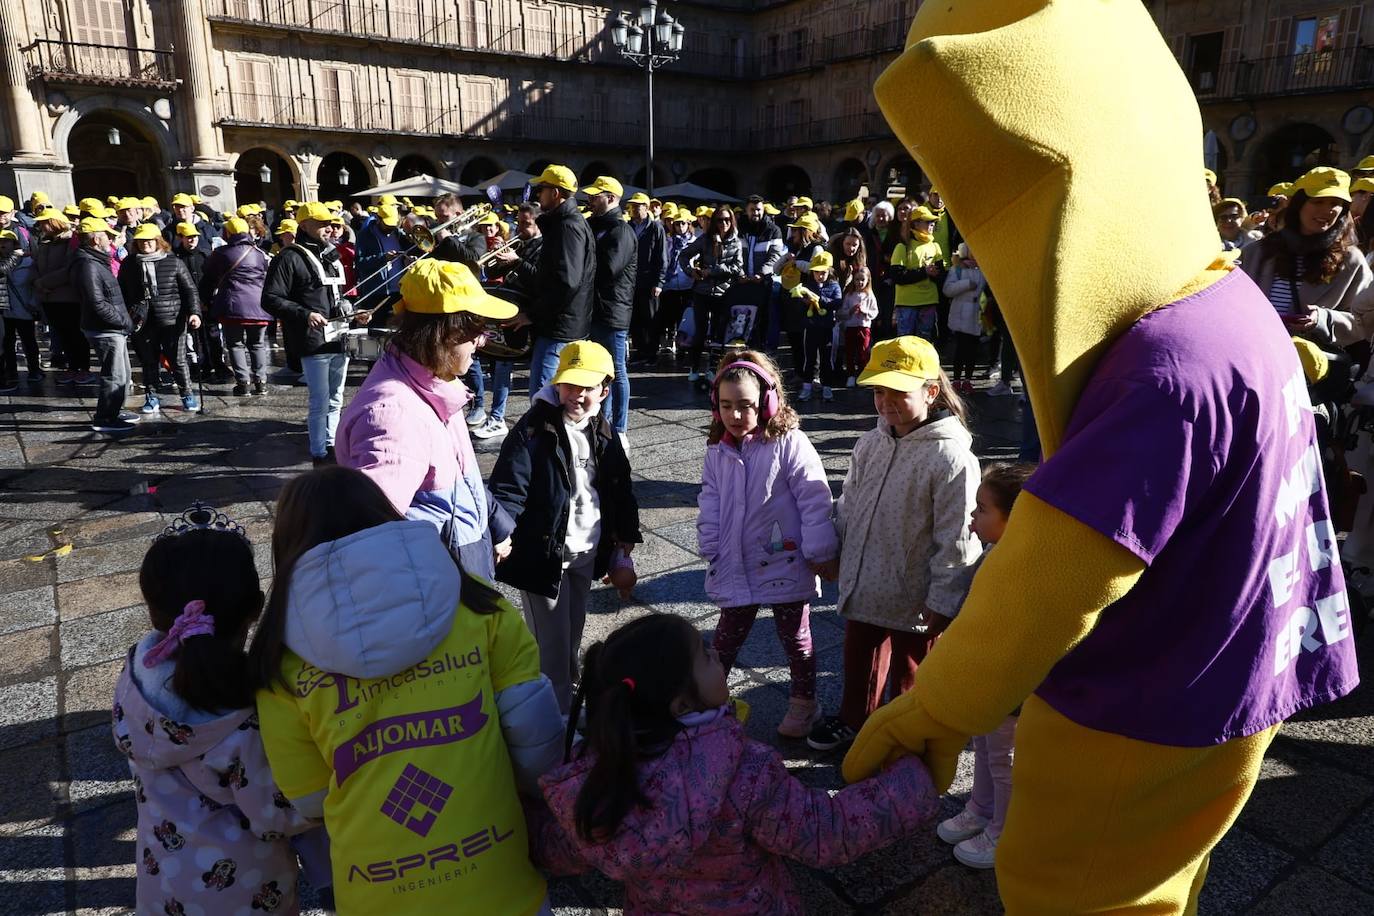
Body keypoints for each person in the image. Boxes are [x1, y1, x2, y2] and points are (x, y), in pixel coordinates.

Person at [249, 466, 564, 915]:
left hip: (374, 892)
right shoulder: (477, 603)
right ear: (384, 514)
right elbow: (539, 750)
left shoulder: (279, 660)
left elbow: (310, 799)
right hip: (499, 881)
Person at [528, 613, 939, 915]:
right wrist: (911, 779)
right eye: (705, 656)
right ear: (681, 703)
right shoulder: (746, 773)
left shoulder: (600, 778)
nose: (716, 657)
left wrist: (522, 831)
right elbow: (824, 832)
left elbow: (564, 845)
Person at [113, 507, 321, 915]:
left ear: (154, 609)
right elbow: (280, 814)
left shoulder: (136, 676)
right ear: (256, 608)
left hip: (162, 882)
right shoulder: (244, 719)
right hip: (247, 894)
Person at [808, 337, 980, 752]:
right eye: (878, 391)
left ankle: (901, 739)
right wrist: (835, 551)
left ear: (931, 392)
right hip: (866, 579)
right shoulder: (871, 442)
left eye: (898, 392)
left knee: (909, 674)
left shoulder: (951, 458)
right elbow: (849, 501)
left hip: (914, 592)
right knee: (858, 657)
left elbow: (957, 538)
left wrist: (943, 599)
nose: (885, 402)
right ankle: (854, 720)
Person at [337, 258, 519, 581]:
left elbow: (463, 475)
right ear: (445, 332)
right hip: (442, 597)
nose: (483, 340)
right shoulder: (395, 417)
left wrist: (496, 525)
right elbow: (368, 543)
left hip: (461, 575)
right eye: (476, 329)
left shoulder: (435, 383)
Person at [489, 341, 642, 713]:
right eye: (570, 385)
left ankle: (567, 688)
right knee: (551, 644)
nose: (578, 395)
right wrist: (500, 531)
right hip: (544, 554)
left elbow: (620, 486)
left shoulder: (602, 430)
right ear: (557, 385)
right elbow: (510, 484)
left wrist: (625, 536)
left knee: (572, 628)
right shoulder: (534, 429)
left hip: (586, 548)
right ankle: (556, 716)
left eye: (588, 388)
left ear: (605, 391)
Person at [698, 351, 836, 736]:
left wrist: (820, 547)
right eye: (726, 405)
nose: (735, 415)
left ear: (767, 403)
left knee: (797, 639)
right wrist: (709, 537)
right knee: (725, 638)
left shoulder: (788, 442)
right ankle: (709, 702)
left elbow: (814, 495)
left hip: (784, 559)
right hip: (736, 561)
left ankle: (803, 705)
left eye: (745, 405)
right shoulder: (718, 449)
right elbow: (710, 496)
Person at [932, 461, 1035, 869]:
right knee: (983, 745)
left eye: (982, 510)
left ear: (1016, 518)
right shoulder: (997, 552)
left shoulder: (1024, 566)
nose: (972, 520)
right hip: (986, 677)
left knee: (1002, 756)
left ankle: (1004, 829)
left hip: (1009, 686)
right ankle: (981, 806)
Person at [262, 202, 360, 464]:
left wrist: (356, 311)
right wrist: (305, 314)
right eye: (322, 223)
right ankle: (319, 452)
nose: (329, 228)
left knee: (337, 397)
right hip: (313, 339)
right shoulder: (289, 257)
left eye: (331, 223)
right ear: (304, 225)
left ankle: (332, 443)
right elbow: (270, 298)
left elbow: (337, 296)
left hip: (339, 335)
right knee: (320, 399)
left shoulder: (332, 255)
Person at [1240, 167, 1374, 350]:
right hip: (1252, 352)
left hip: (1307, 367)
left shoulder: (1351, 261)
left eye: (1335, 203)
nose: (1327, 210)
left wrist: (1322, 319)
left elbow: (1363, 322)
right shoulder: (1258, 251)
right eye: (1318, 201)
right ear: (1299, 204)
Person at [514, 164, 595, 398]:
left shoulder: (568, 227)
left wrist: (533, 315)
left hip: (559, 329)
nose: (539, 194)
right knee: (551, 399)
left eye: (542, 189)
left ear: (556, 193)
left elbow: (566, 282)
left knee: (544, 399)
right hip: (562, 325)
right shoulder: (566, 223)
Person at [119, 224, 201, 414]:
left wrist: (195, 313)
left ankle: (187, 394)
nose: (145, 244)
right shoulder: (129, 264)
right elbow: (122, 292)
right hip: (142, 321)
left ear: (158, 241)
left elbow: (189, 290)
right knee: (148, 361)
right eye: (141, 241)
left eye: (149, 240)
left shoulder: (174, 262)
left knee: (178, 361)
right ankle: (152, 395)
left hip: (173, 320)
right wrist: (125, 316)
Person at [73, 216, 139, 434]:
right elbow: (97, 302)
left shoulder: (96, 259)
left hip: (111, 327)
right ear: (95, 239)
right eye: (106, 237)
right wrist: (122, 321)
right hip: (105, 329)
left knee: (123, 373)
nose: (110, 241)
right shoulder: (87, 264)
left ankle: (115, 410)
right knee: (114, 375)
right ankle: (105, 417)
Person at [584, 176, 638, 437]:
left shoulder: (621, 230)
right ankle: (601, 423)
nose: (591, 200)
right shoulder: (594, 224)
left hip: (613, 310)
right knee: (599, 369)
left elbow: (609, 270)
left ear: (612, 198)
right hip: (596, 308)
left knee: (617, 370)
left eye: (596, 195)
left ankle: (620, 428)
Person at [200, 215, 271, 397]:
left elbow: (208, 276)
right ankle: (261, 382)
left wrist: (205, 300)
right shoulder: (260, 253)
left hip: (233, 306)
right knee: (257, 344)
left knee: (235, 344)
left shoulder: (222, 253)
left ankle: (243, 383)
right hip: (259, 306)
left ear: (228, 232)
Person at [679, 206, 744, 385]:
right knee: (699, 331)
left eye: (727, 220)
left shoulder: (736, 242)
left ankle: (713, 368)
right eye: (720, 220)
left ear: (732, 222)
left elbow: (738, 268)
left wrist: (712, 271)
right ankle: (694, 367)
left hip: (723, 292)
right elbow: (683, 255)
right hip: (702, 291)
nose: (724, 223)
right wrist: (691, 271)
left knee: (718, 333)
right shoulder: (705, 239)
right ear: (714, 221)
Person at [33, 209, 94, 386]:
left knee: (75, 333)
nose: (42, 226)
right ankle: (71, 367)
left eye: (46, 222)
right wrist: (37, 282)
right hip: (48, 297)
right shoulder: (45, 242)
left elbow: (69, 268)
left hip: (68, 297)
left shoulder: (71, 240)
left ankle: (83, 367)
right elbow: (37, 264)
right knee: (62, 334)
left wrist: (44, 282)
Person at [735, 195, 786, 350]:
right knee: (743, 318)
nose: (755, 213)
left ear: (763, 210)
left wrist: (762, 274)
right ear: (747, 210)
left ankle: (764, 351)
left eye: (758, 210)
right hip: (742, 282)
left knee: (764, 319)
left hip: (763, 282)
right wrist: (740, 273)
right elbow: (734, 251)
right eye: (752, 210)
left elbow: (775, 256)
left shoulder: (773, 230)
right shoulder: (738, 228)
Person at [791, 249, 842, 401]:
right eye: (816, 272)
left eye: (823, 272)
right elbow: (799, 304)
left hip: (827, 328)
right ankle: (807, 387)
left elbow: (837, 303)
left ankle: (827, 387)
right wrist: (805, 302)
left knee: (827, 359)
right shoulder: (808, 285)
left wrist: (819, 300)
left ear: (829, 271)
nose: (820, 275)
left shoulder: (834, 286)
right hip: (811, 327)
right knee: (810, 359)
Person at [626, 191, 668, 366]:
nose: (634, 209)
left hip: (649, 280)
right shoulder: (628, 226)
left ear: (647, 207)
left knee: (650, 319)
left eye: (638, 206)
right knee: (635, 318)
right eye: (633, 206)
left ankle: (651, 353)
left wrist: (659, 282)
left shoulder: (656, 227)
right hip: (632, 281)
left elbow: (662, 257)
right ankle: (640, 351)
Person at [890, 206, 945, 341]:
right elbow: (897, 276)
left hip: (929, 301)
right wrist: (924, 272)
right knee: (905, 341)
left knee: (925, 341)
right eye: (927, 221)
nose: (931, 224)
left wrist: (935, 274)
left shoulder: (935, 246)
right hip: (907, 303)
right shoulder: (902, 246)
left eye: (932, 222)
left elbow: (941, 275)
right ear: (915, 223)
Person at [0, 229, 41, 390]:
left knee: (29, 341)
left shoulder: (28, 263)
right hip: (5, 310)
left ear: (15, 244)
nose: (2, 244)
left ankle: (34, 370)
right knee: (7, 343)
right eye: (0, 241)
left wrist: (34, 302)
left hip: (24, 308)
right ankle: (11, 372)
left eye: (6, 241)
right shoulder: (4, 262)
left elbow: (35, 285)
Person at [943, 242, 987, 394]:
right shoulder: (957, 270)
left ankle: (968, 380)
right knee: (960, 349)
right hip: (961, 314)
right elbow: (947, 290)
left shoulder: (983, 270)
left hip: (976, 314)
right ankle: (956, 380)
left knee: (972, 350)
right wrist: (967, 284)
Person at [840, 265, 878, 387]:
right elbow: (842, 311)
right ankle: (851, 375)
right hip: (850, 327)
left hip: (863, 327)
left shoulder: (869, 295)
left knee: (863, 351)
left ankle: (863, 374)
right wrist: (850, 311)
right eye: (857, 279)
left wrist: (865, 311)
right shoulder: (849, 295)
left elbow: (874, 311)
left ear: (868, 280)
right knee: (850, 351)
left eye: (862, 280)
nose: (860, 282)